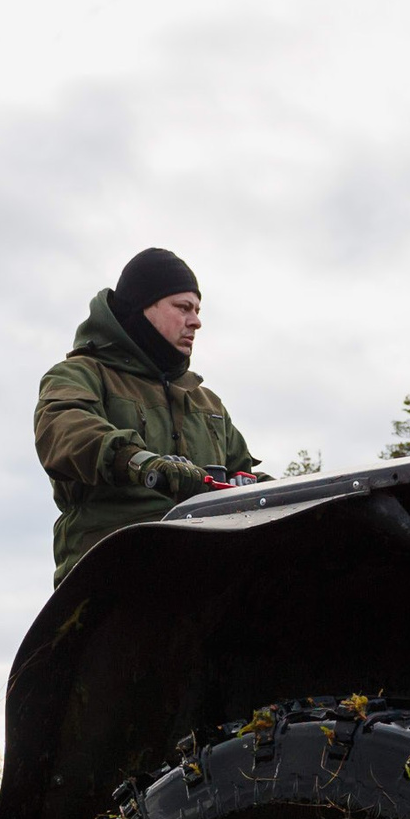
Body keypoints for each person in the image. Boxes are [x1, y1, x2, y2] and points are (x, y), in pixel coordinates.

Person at [34, 247, 263, 584]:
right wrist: (142, 463)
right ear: (144, 308)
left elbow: (244, 478)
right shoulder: (80, 375)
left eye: (197, 310)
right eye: (183, 308)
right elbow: (64, 432)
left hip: (207, 572)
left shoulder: (206, 403)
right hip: (111, 572)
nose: (196, 321)